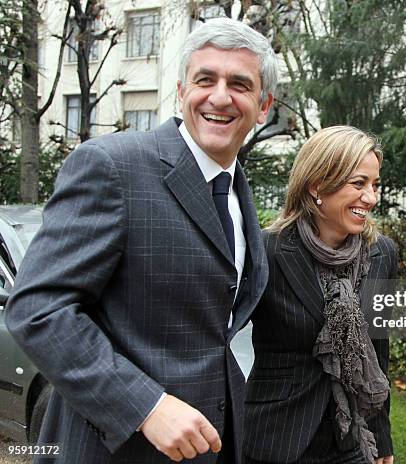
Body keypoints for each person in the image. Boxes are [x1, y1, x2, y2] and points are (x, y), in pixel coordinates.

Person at [5, 17, 277, 464]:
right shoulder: (112, 167)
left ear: (263, 105)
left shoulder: (237, 193)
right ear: (180, 90)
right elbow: (38, 308)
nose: (220, 96)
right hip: (112, 448)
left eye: (240, 84)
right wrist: (145, 405)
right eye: (205, 79)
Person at [243, 126, 396, 464]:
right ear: (317, 185)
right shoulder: (267, 250)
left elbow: (377, 350)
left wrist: (382, 437)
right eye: (358, 183)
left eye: (375, 185)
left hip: (351, 441)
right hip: (276, 439)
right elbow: (216, 336)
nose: (371, 198)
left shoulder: (382, 253)